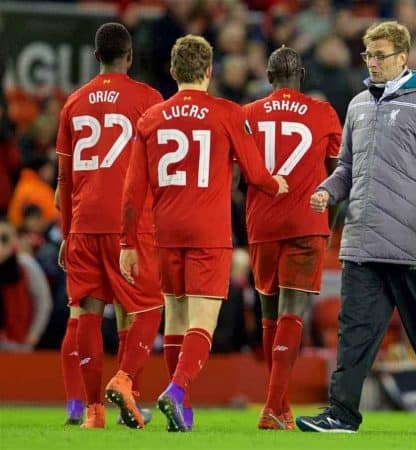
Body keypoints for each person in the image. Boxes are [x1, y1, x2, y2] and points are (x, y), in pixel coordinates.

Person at [295, 21, 416, 434]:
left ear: (402, 57)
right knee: (354, 333)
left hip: (413, 245)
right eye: (368, 56)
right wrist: (327, 191)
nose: (373, 63)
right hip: (361, 242)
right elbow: (346, 168)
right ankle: (342, 413)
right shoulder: (358, 104)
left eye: (380, 56)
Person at [119, 34, 288, 432]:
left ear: (173, 71)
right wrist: (275, 183)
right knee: (203, 323)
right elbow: (254, 170)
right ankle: (176, 392)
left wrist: (128, 241)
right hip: (209, 230)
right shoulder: (227, 112)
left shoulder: (151, 118)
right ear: (210, 71)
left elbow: (131, 193)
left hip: (166, 230)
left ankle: (185, 414)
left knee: (175, 319)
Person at [56, 22, 164, 429]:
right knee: (142, 308)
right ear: (130, 57)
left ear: (95, 55)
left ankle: (92, 411)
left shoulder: (73, 103)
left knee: (86, 311)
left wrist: (67, 231)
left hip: (83, 222)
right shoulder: (147, 99)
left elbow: (64, 180)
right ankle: (127, 392)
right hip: (128, 226)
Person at [243, 46, 342, 430]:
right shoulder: (323, 113)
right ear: (301, 74)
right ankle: (273, 405)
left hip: (262, 223)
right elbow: (338, 175)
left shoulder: (247, 114)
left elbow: (240, 175)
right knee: (292, 313)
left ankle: (277, 407)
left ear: (268, 76)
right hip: (306, 220)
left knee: (269, 315)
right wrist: (329, 223)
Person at [0, 216, 52, 352]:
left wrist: (34, 334)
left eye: (4, 239)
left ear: (15, 240)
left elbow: (43, 301)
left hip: (19, 344)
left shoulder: (26, 266)